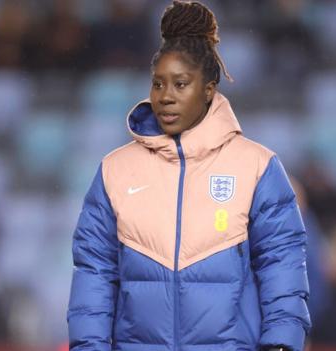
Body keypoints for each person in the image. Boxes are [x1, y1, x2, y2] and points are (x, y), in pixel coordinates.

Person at [67, 1, 311, 350]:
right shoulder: (114, 170)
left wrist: (281, 344)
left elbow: (283, 263)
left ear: (209, 89)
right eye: (158, 84)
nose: (166, 97)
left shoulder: (257, 166)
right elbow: (94, 271)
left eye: (181, 84)